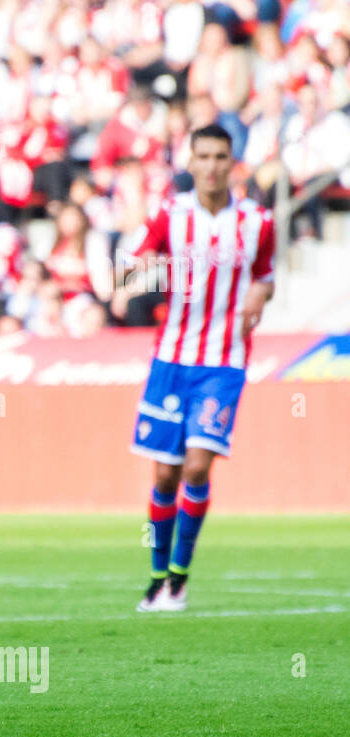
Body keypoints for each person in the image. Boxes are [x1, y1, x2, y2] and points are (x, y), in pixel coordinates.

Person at [120, 124, 274, 613]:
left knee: (196, 464)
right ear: (191, 163)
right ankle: (157, 575)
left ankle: (180, 579)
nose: (211, 165)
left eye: (220, 156)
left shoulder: (257, 221)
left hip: (224, 361)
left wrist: (259, 292)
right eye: (202, 156)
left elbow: (266, 275)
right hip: (172, 358)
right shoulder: (172, 215)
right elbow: (135, 259)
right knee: (164, 475)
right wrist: (134, 270)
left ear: (233, 163)